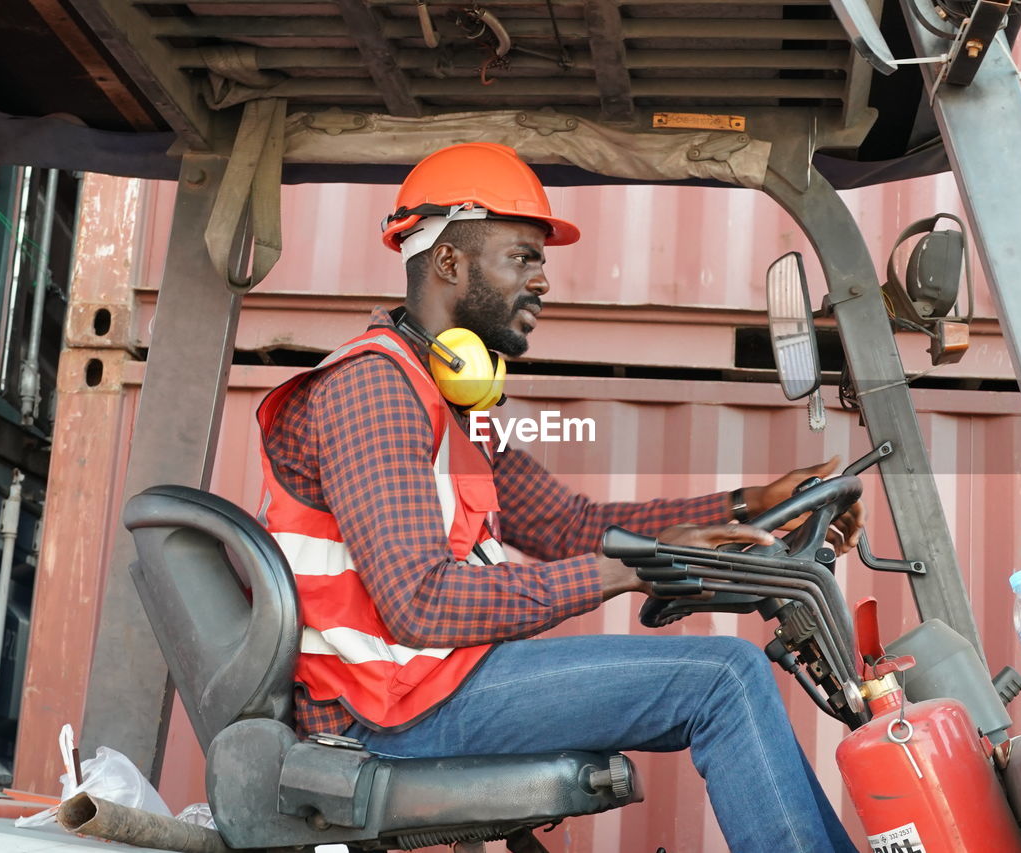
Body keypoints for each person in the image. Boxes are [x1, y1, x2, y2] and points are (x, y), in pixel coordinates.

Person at [256, 142, 864, 852]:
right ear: (449, 262)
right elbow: (419, 603)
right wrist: (635, 566)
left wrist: (747, 502)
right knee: (723, 679)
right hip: (388, 713)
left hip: (428, 689)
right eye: (523, 257)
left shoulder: (447, 402)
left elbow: (570, 523)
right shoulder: (374, 390)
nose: (543, 280)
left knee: (725, 675)